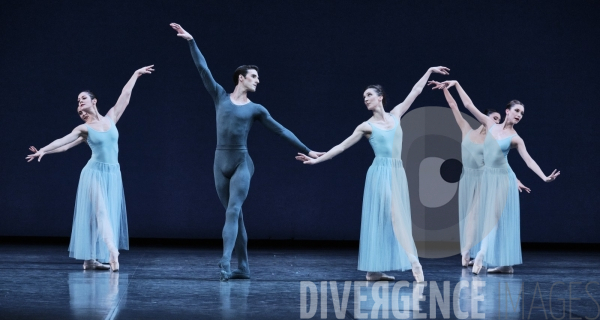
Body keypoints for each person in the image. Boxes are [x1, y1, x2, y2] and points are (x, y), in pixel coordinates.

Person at [170, 23, 322, 281]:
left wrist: (308, 150)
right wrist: (191, 41)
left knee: (233, 210)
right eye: (254, 76)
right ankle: (245, 268)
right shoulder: (220, 96)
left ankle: (226, 263)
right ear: (241, 77)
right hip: (220, 162)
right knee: (236, 217)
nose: (258, 80)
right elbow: (202, 69)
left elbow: (282, 131)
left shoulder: (257, 109)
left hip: (242, 162)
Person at [296, 66, 451, 282]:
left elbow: (415, 91)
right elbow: (341, 147)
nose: (365, 99)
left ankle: (373, 271)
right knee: (394, 217)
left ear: (380, 98)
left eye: (369, 95)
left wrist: (429, 71)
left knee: (389, 219)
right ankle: (414, 262)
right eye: (364, 97)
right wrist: (316, 160)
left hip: (397, 172)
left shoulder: (396, 115)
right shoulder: (366, 126)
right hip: (380, 174)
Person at [26, 65, 154, 271]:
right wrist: (43, 150)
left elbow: (125, 95)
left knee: (98, 217)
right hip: (93, 173)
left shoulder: (111, 118)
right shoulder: (83, 129)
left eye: (82, 98)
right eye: (77, 101)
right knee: (101, 212)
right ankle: (113, 252)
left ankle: (89, 260)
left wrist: (135, 74)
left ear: (94, 101)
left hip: (112, 173)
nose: (79, 102)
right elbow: (64, 142)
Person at [433, 80, 559, 274]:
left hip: (503, 179)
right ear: (507, 111)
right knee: (490, 219)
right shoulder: (490, 125)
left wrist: (543, 177)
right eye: (517, 111)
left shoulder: (516, 138)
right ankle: (505, 265)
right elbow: (468, 105)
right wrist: (456, 84)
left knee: (493, 217)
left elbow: (529, 161)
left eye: (522, 114)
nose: (519, 115)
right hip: (488, 178)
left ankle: (482, 254)